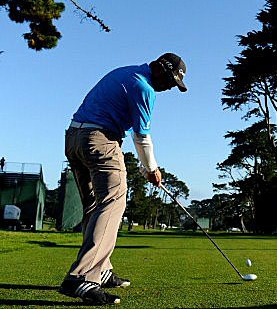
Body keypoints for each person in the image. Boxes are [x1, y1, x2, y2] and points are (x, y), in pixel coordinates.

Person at [59, 53, 187, 305]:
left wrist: (144, 167)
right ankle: (82, 276)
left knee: (95, 207)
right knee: (113, 203)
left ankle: (101, 268)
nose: (170, 87)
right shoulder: (144, 87)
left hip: (75, 138)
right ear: (160, 70)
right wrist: (152, 169)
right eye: (171, 81)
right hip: (99, 139)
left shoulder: (127, 72)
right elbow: (141, 138)